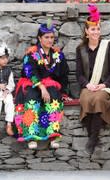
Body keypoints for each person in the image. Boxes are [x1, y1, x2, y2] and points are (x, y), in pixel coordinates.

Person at [14, 21, 69, 149]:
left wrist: (64, 91)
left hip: (49, 84)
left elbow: (63, 73)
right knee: (32, 98)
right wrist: (41, 86)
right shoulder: (32, 53)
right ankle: (31, 136)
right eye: (46, 37)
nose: (50, 40)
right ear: (39, 38)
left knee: (54, 96)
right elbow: (29, 71)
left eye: (52, 37)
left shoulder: (57, 54)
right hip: (32, 83)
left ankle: (52, 134)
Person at [76, 4, 110, 154]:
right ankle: (94, 138)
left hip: (104, 86)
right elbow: (79, 74)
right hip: (89, 86)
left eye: (98, 29)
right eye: (92, 29)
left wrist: (103, 85)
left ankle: (93, 138)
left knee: (98, 99)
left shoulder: (107, 46)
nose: (96, 32)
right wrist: (87, 85)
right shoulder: (80, 49)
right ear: (86, 31)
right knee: (85, 99)